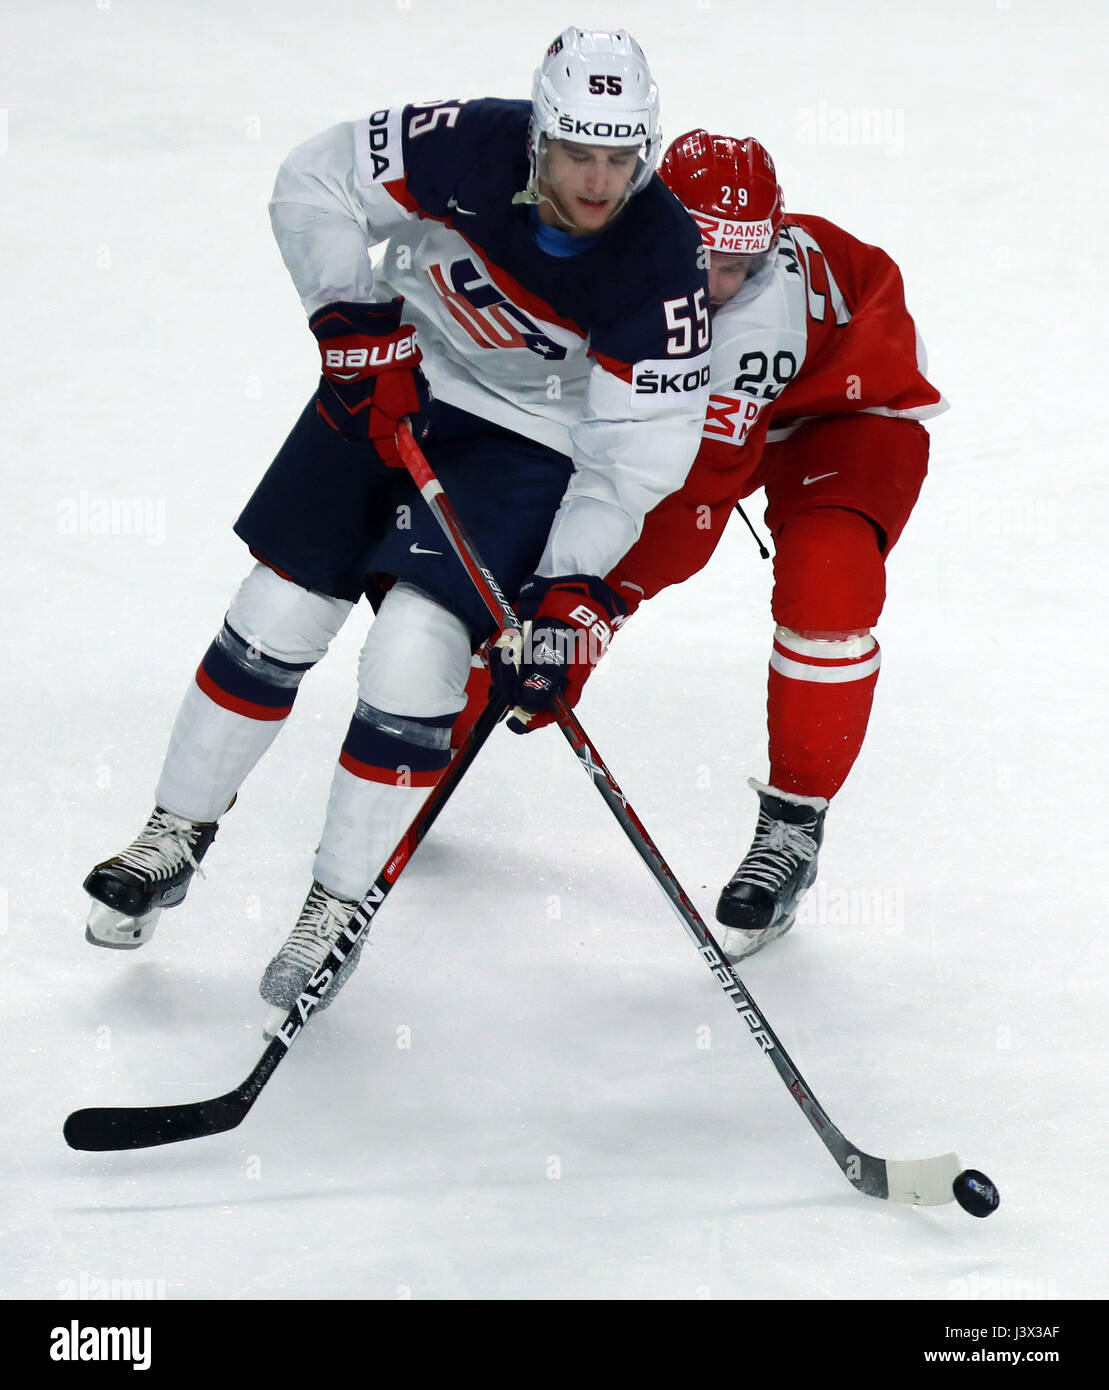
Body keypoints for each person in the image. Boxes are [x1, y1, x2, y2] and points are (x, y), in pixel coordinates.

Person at [81, 28, 711, 1011]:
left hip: (524, 442)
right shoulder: (466, 141)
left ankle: (337, 906)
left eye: (619, 158)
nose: (597, 182)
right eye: (579, 153)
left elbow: (632, 465)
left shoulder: (662, 259)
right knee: (277, 606)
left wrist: (566, 590)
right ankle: (172, 833)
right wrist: (349, 319)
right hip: (394, 376)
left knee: (415, 646)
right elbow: (314, 179)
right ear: (540, 137)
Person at [514, 130, 946, 962]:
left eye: (741, 266)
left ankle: (793, 825)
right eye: (705, 259)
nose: (721, 284)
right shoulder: (605, 241)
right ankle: (429, 734)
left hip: (847, 413)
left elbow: (690, 504)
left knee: (828, 582)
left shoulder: (758, 322)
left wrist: (592, 610)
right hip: (717, 415)